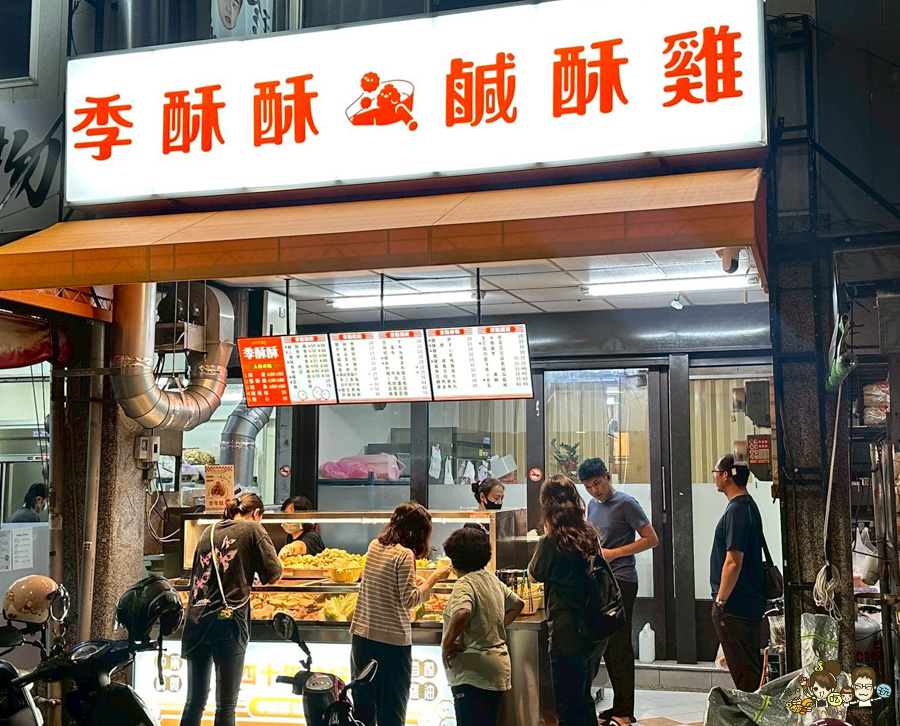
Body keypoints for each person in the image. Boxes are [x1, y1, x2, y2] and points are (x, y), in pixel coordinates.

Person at [181, 493, 282, 726]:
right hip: (227, 622)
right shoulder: (253, 529)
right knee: (226, 705)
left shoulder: (209, 530)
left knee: (194, 700)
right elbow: (274, 574)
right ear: (256, 514)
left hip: (196, 621)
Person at [350, 502, 450, 726]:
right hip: (391, 644)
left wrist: (415, 582)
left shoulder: (375, 545)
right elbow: (409, 600)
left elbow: (383, 583)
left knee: (363, 711)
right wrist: (433, 579)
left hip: (361, 639)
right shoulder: (405, 555)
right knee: (391, 712)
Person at [579, 458, 659, 726]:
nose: (594, 491)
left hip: (623, 580)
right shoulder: (592, 505)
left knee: (620, 643)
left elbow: (651, 539)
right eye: (589, 487)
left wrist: (616, 553)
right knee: (608, 645)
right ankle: (617, 705)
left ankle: (625, 710)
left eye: (597, 483)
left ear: (607, 476)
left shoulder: (626, 503)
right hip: (600, 580)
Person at [528, 474, 606, 726]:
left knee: (568, 707)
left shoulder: (551, 540)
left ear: (547, 505)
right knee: (583, 698)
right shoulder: (589, 534)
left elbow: (534, 573)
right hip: (594, 629)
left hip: (566, 632)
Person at [441, 527, 524, 726]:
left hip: (473, 672)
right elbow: (517, 604)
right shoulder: (491, 579)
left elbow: (463, 612)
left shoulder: (465, 583)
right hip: (497, 669)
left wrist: (446, 643)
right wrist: (496, 627)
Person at [710, 454, 767, 693]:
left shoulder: (737, 510)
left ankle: (754, 717)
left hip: (736, 605)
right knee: (749, 668)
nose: (714, 477)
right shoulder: (748, 504)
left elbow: (733, 561)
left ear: (725, 475)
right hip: (749, 601)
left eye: (715, 472)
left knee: (745, 673)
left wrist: (721, 601)